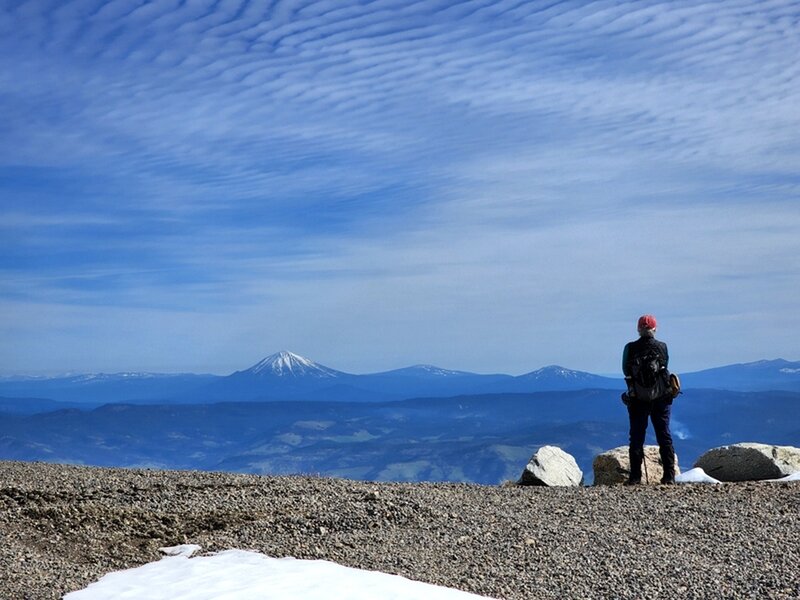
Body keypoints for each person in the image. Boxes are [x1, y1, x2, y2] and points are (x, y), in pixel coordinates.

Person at [622, 314, 676, 485]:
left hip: (637, 398)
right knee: (664, 435)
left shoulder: (630, 348)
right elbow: (665, 366)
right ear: (655, 328)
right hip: (661, 397)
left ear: (638, 329)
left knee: (637, 437)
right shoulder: (663, 347)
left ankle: (635, 477)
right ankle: (669, 476)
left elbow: (625, 370)